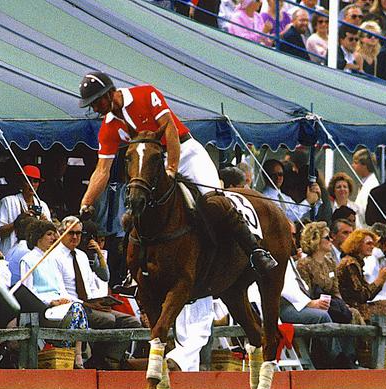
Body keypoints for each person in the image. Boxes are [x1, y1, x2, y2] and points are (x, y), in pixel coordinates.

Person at [77, 71, 278, 277]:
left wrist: (171, 168)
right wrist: (86, 202)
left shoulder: (146, 94)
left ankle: (255, 251)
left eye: (95, 102)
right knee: (136, 213)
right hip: (153, 164)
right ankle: (134, 272)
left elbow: (170, 130)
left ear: (110, 93)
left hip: (185, 153)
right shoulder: (108, 127)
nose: (94, 108)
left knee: (214, 202)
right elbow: (102, 170)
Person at [54, 216, 141, 370]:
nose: (75, 237)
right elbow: (60, 291)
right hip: (74, 307)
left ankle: (110, 359)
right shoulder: (54, 256)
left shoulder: (81, 256)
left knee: (132, 322)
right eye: (70, 233)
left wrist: (101, 301)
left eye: (78, 233)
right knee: (108, 319)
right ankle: (96, 358)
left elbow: (101, 279)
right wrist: (89, 304)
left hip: (92, 304)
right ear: (61, 233)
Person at [281, 222, 354, 368]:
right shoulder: (293, 261)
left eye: (294, 235)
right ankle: (338, 360)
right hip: (284, 306)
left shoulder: (288, 258)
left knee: (348, 313)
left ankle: (350, 356)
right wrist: (310, 303)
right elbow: (286, 290)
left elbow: (332, 289)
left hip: (305, 302)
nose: (293, 239)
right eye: (291, 234)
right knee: (322, 316)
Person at [20, 220, 89, 369]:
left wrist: (64, 299)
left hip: (61, 304)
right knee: (76, 310)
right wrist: (51, 301)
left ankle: (76, 354)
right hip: (45, 307)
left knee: (78, 307)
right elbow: (29, 292)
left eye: (54, 234)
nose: (53, 238)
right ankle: (73, 356)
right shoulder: (28, 260)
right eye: (49, 234)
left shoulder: (53, 259)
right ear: (38, 237)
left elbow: (61, 287)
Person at [297, 222, 362, 324]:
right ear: (316, 241)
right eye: (327, 238)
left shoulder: (330, 262)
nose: (331, 240)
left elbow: (335, 290)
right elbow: (307, 293)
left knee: (353, 312)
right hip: (316, 305)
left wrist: (342, 305)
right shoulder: (304, 264)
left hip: (332, 304)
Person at [337, 228, 386, 325]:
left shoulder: (357, 262)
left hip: (360, 305)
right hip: (352, 308)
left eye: (373, 244)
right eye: (368, 243)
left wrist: (384, 277)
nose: (373, 247)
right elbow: (362, 296)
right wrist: (380, 279)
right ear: (357, 244)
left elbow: (368, 294)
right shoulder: (350, 264)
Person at [0, 165, 51, 256]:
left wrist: (45, 225)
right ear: (21, 182)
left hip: (36, 255)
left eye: (35, 181)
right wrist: (17, 222)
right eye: (28, 180)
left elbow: (51, 236)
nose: (32, 184)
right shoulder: (8, 201)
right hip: (12, 254)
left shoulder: (43, 205)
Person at [352, 148, 380, 228]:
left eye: (355, 163)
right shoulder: (364, 183)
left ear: (365, 165)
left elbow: (364, 211)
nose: (352, 165)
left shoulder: (372, 185)